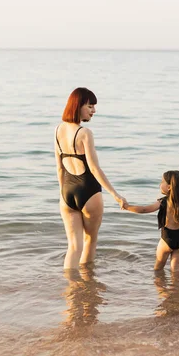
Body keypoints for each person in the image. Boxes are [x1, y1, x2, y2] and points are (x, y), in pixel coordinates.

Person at [55, 87, 127, 269]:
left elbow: (59, 168)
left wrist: (62, 194)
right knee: (90, 240)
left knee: (73, 246)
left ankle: (71, 287)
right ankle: (87, 284)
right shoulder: (85, 133)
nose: (94, 111)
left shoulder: (58, 130)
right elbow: (94, 169)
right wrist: (115, 194)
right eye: (90, 106)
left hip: (66, 192)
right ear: (78, 106)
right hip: (88, 191)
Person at [122, 170, 179, 272]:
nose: (160, 184)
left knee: (158, 269)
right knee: (176, 270)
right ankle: (177, 287)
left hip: (167, 240)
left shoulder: (163, 202)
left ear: (169, 187)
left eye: (162, 182)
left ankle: (160, 287)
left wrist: (127, 206)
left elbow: (144, 209)